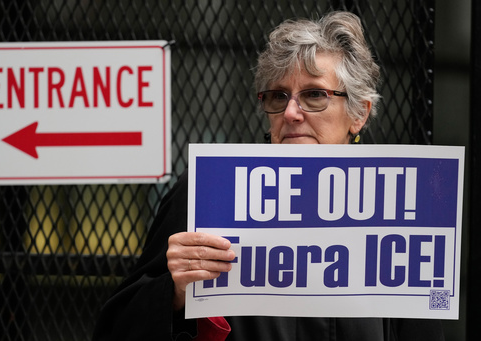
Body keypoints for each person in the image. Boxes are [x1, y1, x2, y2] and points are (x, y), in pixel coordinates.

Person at [92, 11, 445, 341]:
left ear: (359, 114)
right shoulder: (211, 191)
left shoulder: (401, 205)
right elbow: (115, 329)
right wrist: (173, 292)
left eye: (314, 95)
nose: (291, 112)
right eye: (278, 96)